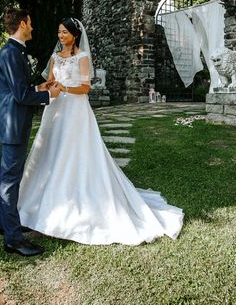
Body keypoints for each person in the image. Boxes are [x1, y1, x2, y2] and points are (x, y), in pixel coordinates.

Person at [18, 17, 184, 245]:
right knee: (49, 149)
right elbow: (50, 81)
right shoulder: (55, 57)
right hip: (55, 109)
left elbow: (85, 87)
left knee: (74, 151)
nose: (60, 36)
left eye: (64, 32)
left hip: (75, 111)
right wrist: (46, 87)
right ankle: (39, 202)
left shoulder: (83, 57)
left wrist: (64, 87)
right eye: (59, 32)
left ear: (75, 35)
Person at [0, 8, 60, 257]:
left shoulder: (13, 52)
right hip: (13, 125)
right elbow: (21, 96)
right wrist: (48, 95)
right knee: (10, 180)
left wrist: (38, 86)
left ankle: (6, 224)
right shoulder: (11, 53)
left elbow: (18, 88)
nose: (32, 27)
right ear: (22, 24)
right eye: (30, 23)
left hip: (12, 123)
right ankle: (13, 239)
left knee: (6, 177)